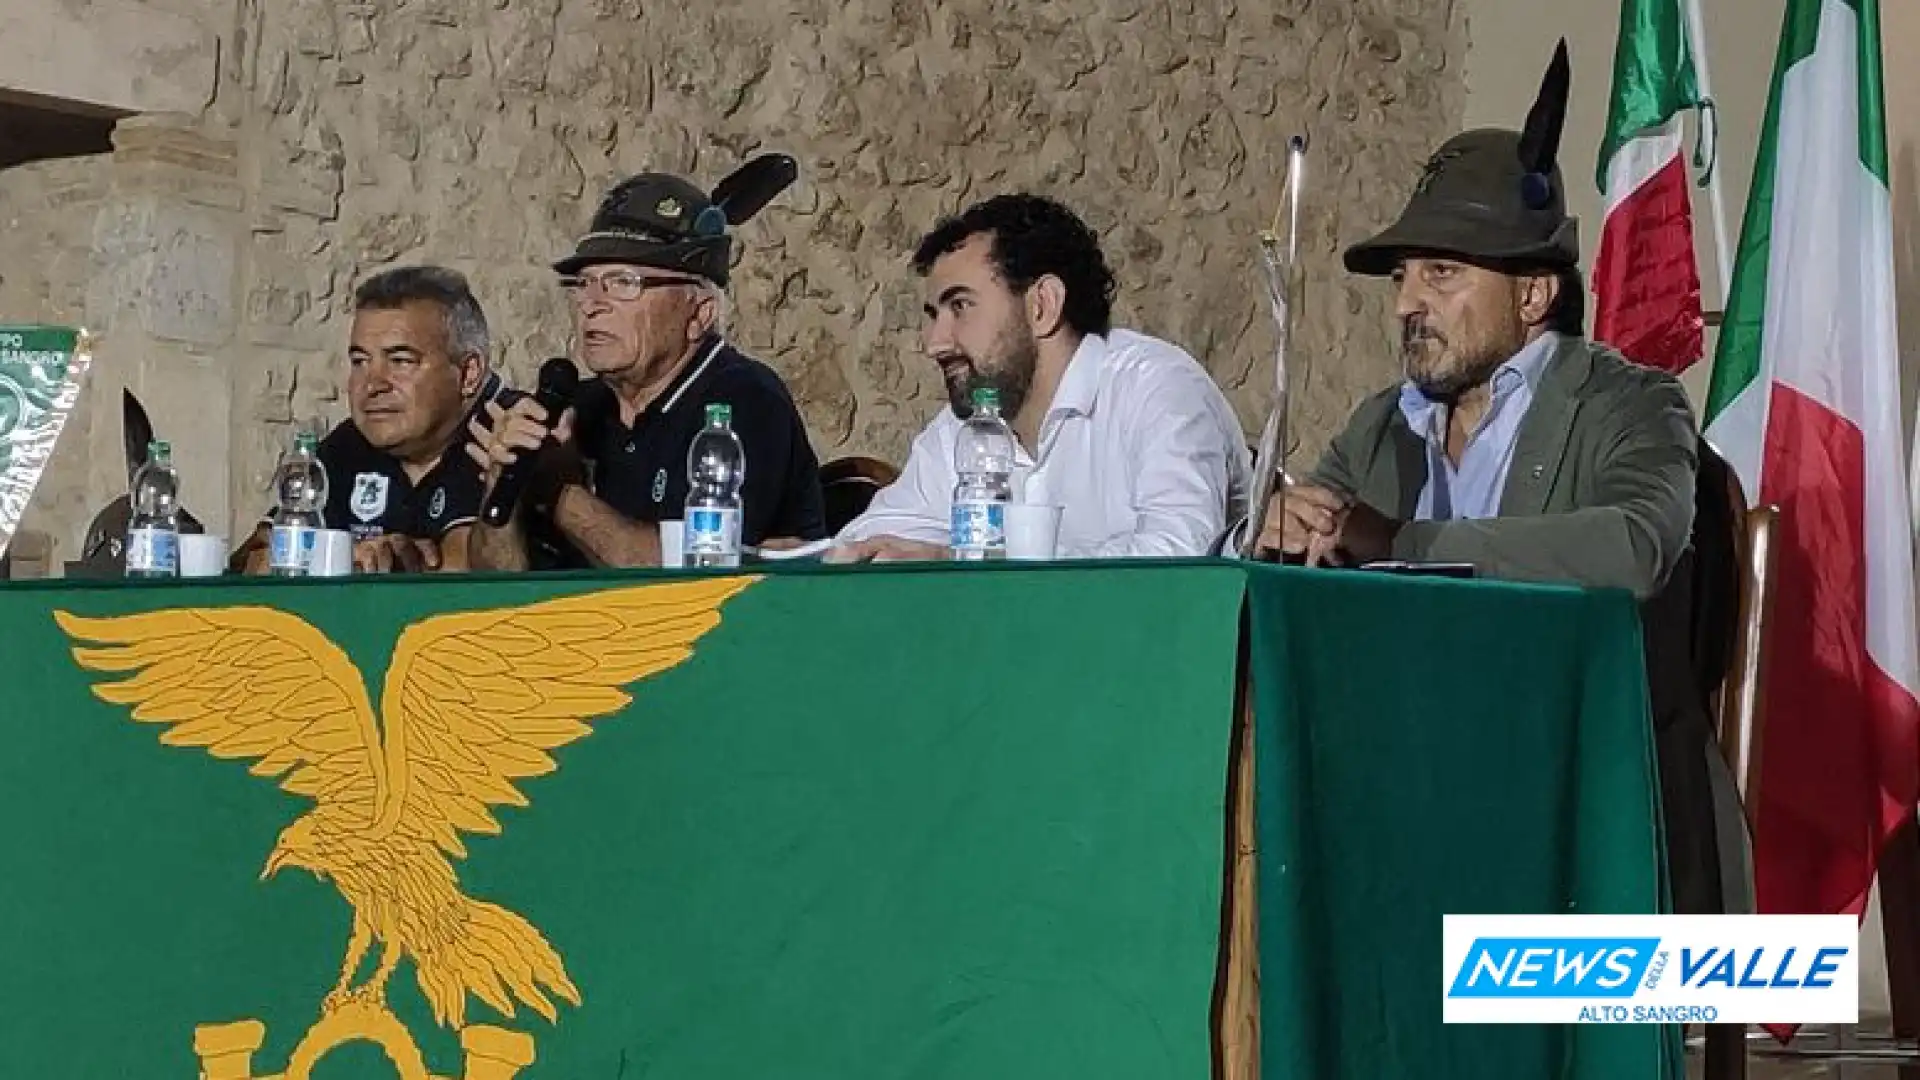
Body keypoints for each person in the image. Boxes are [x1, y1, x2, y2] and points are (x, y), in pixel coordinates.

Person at [1233, 43, 1745, 915]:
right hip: (1406, 799)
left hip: (1588, 816)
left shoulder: (1633, 405)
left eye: (1441, 273)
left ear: (1535, 295)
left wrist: (1402, 543)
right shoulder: (1383, 423)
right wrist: (1283, 530)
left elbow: (1630, 550)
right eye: (1402, 277)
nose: (1405, 303)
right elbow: (1304, 561)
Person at [829, 193, 1249, 561]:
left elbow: (1181, 558)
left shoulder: (1156, 389)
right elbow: (866, 541)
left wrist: (970, 559)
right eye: (934, 316)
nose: (935, 343)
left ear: (1042, 305)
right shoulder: (959, 428)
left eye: (959, 307)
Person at [467, 169, 826, 569]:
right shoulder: (577, 407)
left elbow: (691, 576)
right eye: (584, 283)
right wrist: (505, 486)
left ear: (699, 314)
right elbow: (490, 590)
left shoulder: (744, 402)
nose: (592, 304)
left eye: (623, 282)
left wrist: (559, 492)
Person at [237, 265, 515, 574]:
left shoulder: (510, 429)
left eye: (399, 361)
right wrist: (339, 557)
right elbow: (251, 558)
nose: (372, 385)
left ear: (469, 373)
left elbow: (472, 572)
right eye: (360, 361)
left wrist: (400, 560)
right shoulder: (351, 443)